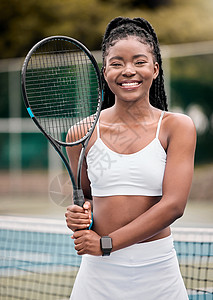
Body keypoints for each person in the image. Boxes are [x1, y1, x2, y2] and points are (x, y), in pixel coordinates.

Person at [65, 16, 196, 300]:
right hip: (97, 275)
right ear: (105, 71)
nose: (128, 71)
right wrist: (79, 214)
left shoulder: (177, 127)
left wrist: (108, 243)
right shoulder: (80, 133)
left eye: (139, 62)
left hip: (158, 271)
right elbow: (86, 196)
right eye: (116, 63)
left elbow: (174, 205)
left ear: (155, 69)